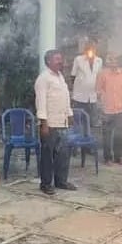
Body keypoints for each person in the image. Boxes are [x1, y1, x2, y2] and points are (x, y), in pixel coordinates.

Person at [35, 49, 77, 195]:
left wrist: (70, 114)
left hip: (63, 122)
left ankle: (61, 181)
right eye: (57, 59)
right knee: (47, 155)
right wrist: (43, 123)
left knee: (63, 155)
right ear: (48, 61)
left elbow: (65, 98)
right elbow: (41, 102)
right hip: (50, 124)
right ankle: (46, 184)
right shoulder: (43, 78)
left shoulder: (60, 77)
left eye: (61, 58)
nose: (61, 61)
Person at [96, 52, 122, 165]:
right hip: (106, 109)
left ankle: (118, 157)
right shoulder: (102, 74)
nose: (113, 62)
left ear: (118, 62)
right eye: (110, 60)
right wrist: (100, 107)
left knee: (119, 135)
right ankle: (107, 158)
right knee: (107, 135)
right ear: (107, 62)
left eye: (115, 60)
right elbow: (98, 91)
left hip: (120, 107)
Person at [71, 40, 102, 126]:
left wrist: (99, 91)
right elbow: (73, 75)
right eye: (89, 49)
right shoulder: (78, 59)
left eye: (93, 49)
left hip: (93, 93)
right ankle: (79, 133)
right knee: (80, 116)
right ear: (85, 50)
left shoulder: (99, 60)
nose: (91, 51)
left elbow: (99, 76)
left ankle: (90, 134)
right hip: (80, 93)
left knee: (92, 118)